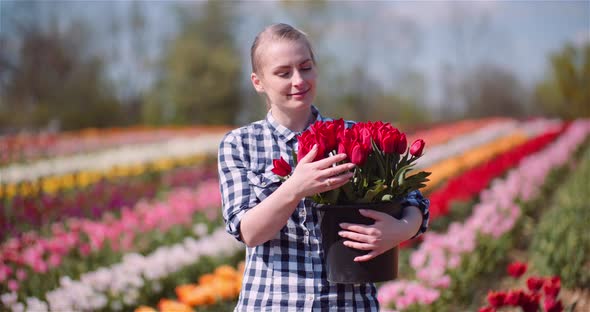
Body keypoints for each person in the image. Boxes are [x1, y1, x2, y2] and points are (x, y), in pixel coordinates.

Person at [218, 23, 430, 311]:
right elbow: (249, 231)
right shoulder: (240, 144)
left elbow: (414, 200)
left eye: (305, 68)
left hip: (348, 303)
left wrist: (401, 230)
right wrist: (294, 187)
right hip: (272, 302)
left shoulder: (353, 135)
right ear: (258, 82)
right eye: (283, 73)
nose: (298, 80)